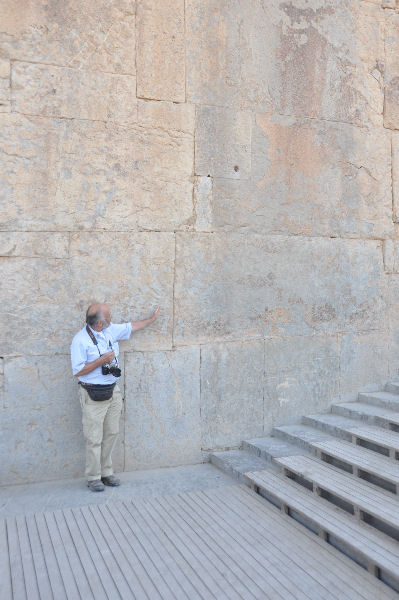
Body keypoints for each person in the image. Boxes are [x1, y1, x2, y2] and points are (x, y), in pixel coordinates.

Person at [70, 303, 161, 491]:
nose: (112, 317)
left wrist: (152, 319)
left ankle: (106, 472)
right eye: (109, 316)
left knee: (111, 433)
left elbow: (132, 326)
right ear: (99, 323)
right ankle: (93, 477)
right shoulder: (80, 340)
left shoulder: (110, 330)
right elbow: (78, 371)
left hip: (112, 390)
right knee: (94, 438)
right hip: (92, 392)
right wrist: (101, 361)